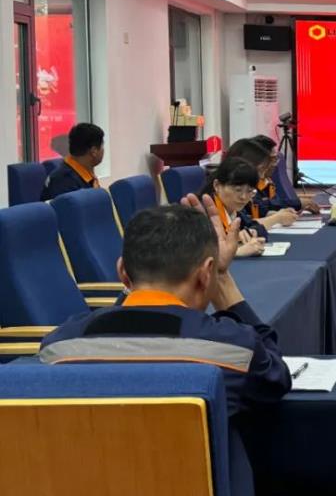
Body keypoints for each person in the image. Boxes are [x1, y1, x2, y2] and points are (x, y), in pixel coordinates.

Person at [39, 200, 291, 416]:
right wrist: (222, 277)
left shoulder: (59, 348)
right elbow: (276, 379)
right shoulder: (233, 350)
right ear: (206, 274)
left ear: (122, 272)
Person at [200, 157, 269, 258]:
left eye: (250, 191)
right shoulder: (204, 212)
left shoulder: (233, 209)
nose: (243, 197)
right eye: (238, 190)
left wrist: (251, 232)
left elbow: (260, 228)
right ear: (217, 185)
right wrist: (237, 252)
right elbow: (195, 252)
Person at [226, 138, 298, 229]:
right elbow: (246, 226)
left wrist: (276, 214)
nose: (261, 177)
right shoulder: (227, 193)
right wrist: (277, 218)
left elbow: (257, 212)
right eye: (260, 170)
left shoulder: (249, 189)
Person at [250, 135, 321, 214]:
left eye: (276, 158)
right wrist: (297, 204)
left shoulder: (267, 182)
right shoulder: (247, 184)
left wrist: (296, 207)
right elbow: (261, 206)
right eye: (273, 159)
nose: (275, 164)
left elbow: (276, 204)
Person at [40, 122, 105, 200]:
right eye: (102, 146)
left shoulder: (84, 173)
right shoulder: (64, 181)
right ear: (94, 151)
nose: (103, 150)